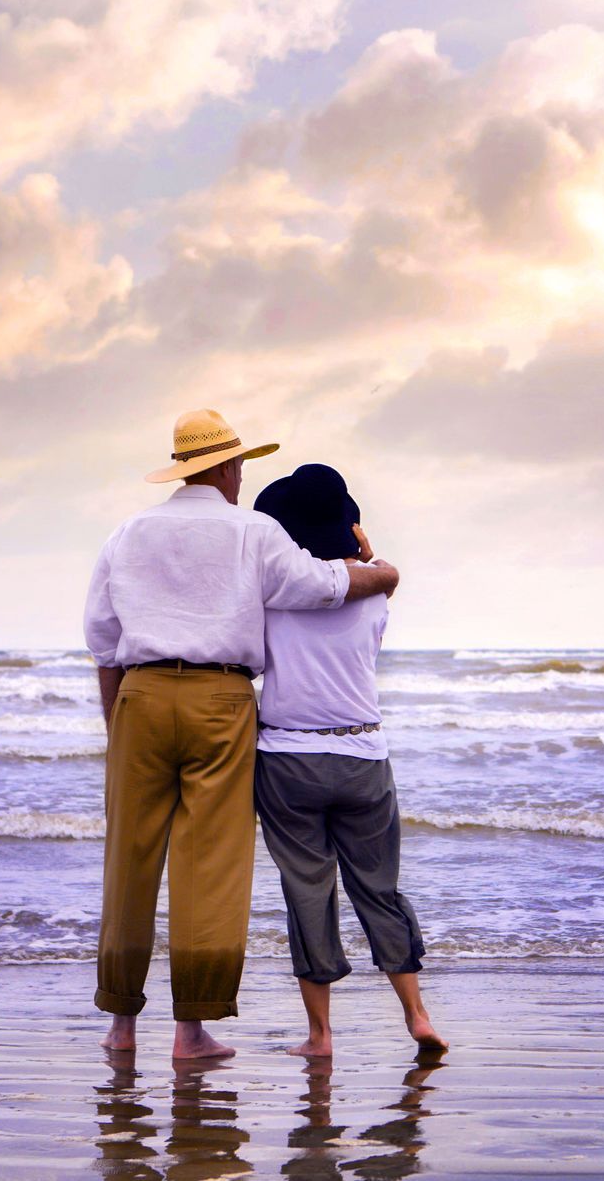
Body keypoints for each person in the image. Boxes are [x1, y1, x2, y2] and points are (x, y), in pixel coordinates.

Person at [83, 410, 400, 1060]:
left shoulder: (128, 532)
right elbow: (324, 584)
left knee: (129, 864)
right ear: (228, 468)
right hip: (221, 699)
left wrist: (118, 727)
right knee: (210, 864)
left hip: (140, 696)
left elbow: (103, 640)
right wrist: (384, 574)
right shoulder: (253, 531)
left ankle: (120, 1026)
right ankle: (190, 1030)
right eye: (240, 467)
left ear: (182, 469)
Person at [250, 463, 445, 1057]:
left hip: (287, 758)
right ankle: (416, 1014)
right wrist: (365, 549)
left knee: (308, 890)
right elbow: (376, 577)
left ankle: (320, 1036)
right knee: (378, 888)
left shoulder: (270, 596)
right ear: (350, 527)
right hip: (363, 753)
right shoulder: (376, 594)